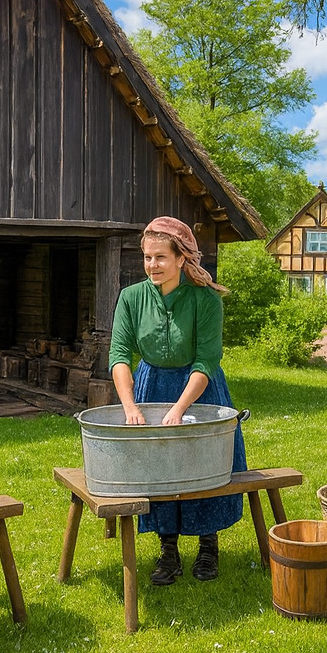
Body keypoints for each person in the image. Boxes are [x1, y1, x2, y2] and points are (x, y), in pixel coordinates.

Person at [108, 216, 246, 585]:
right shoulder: (131, 298)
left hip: (199, 388)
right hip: (151, 386)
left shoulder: (206, 299)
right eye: (147, 257)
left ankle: (207, 544)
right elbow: (119, 355)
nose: (152, 265)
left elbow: (206, 360)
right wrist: (130, 407)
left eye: (160, 258)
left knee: (204, 463)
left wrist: (180, 408)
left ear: (181, 259)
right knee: (158, 469)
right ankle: (167, 549)